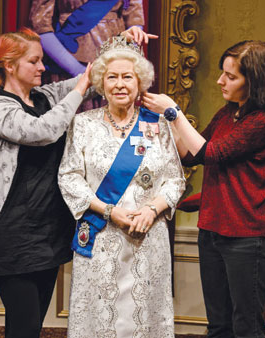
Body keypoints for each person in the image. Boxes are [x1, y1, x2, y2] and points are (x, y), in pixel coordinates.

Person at [143, 40, 265, 338]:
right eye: (222, 73)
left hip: (247, 237)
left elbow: (212, 153)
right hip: (212, 229)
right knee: (218, 325)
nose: (220, 81)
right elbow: (192, 154)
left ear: (255, 80)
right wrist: (165, 122)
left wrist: (174, 112)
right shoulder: (227, 114)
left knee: (246, 327)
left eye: (231, 76)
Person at [57, 35, 185, 337]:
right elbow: (69, 177)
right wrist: (108, 211)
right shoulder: (84, 124)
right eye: (111, 77)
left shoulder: (157, 125)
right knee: (102, 315)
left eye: (127, 76)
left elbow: (175, 180)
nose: (120, 84)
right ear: (101, 82)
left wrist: (152, 209)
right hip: (101, 235)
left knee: (143, 315)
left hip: (148, 237)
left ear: (140, 82)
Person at [0, 27, 93, 338]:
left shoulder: (45, 95)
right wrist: (80, 90)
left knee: (29, 327)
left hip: (49, 229)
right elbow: (42, 131)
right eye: (35, 61)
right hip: (13, 232)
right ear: (10, 65)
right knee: (25, 326)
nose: (43, 67)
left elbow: (92, 78)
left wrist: (126, 41)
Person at [29, 0, 150, 111]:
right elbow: (41, 26)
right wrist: (77, 70)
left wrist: (130, 43)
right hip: (67, 65)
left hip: (114, 64)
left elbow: (134, 18)